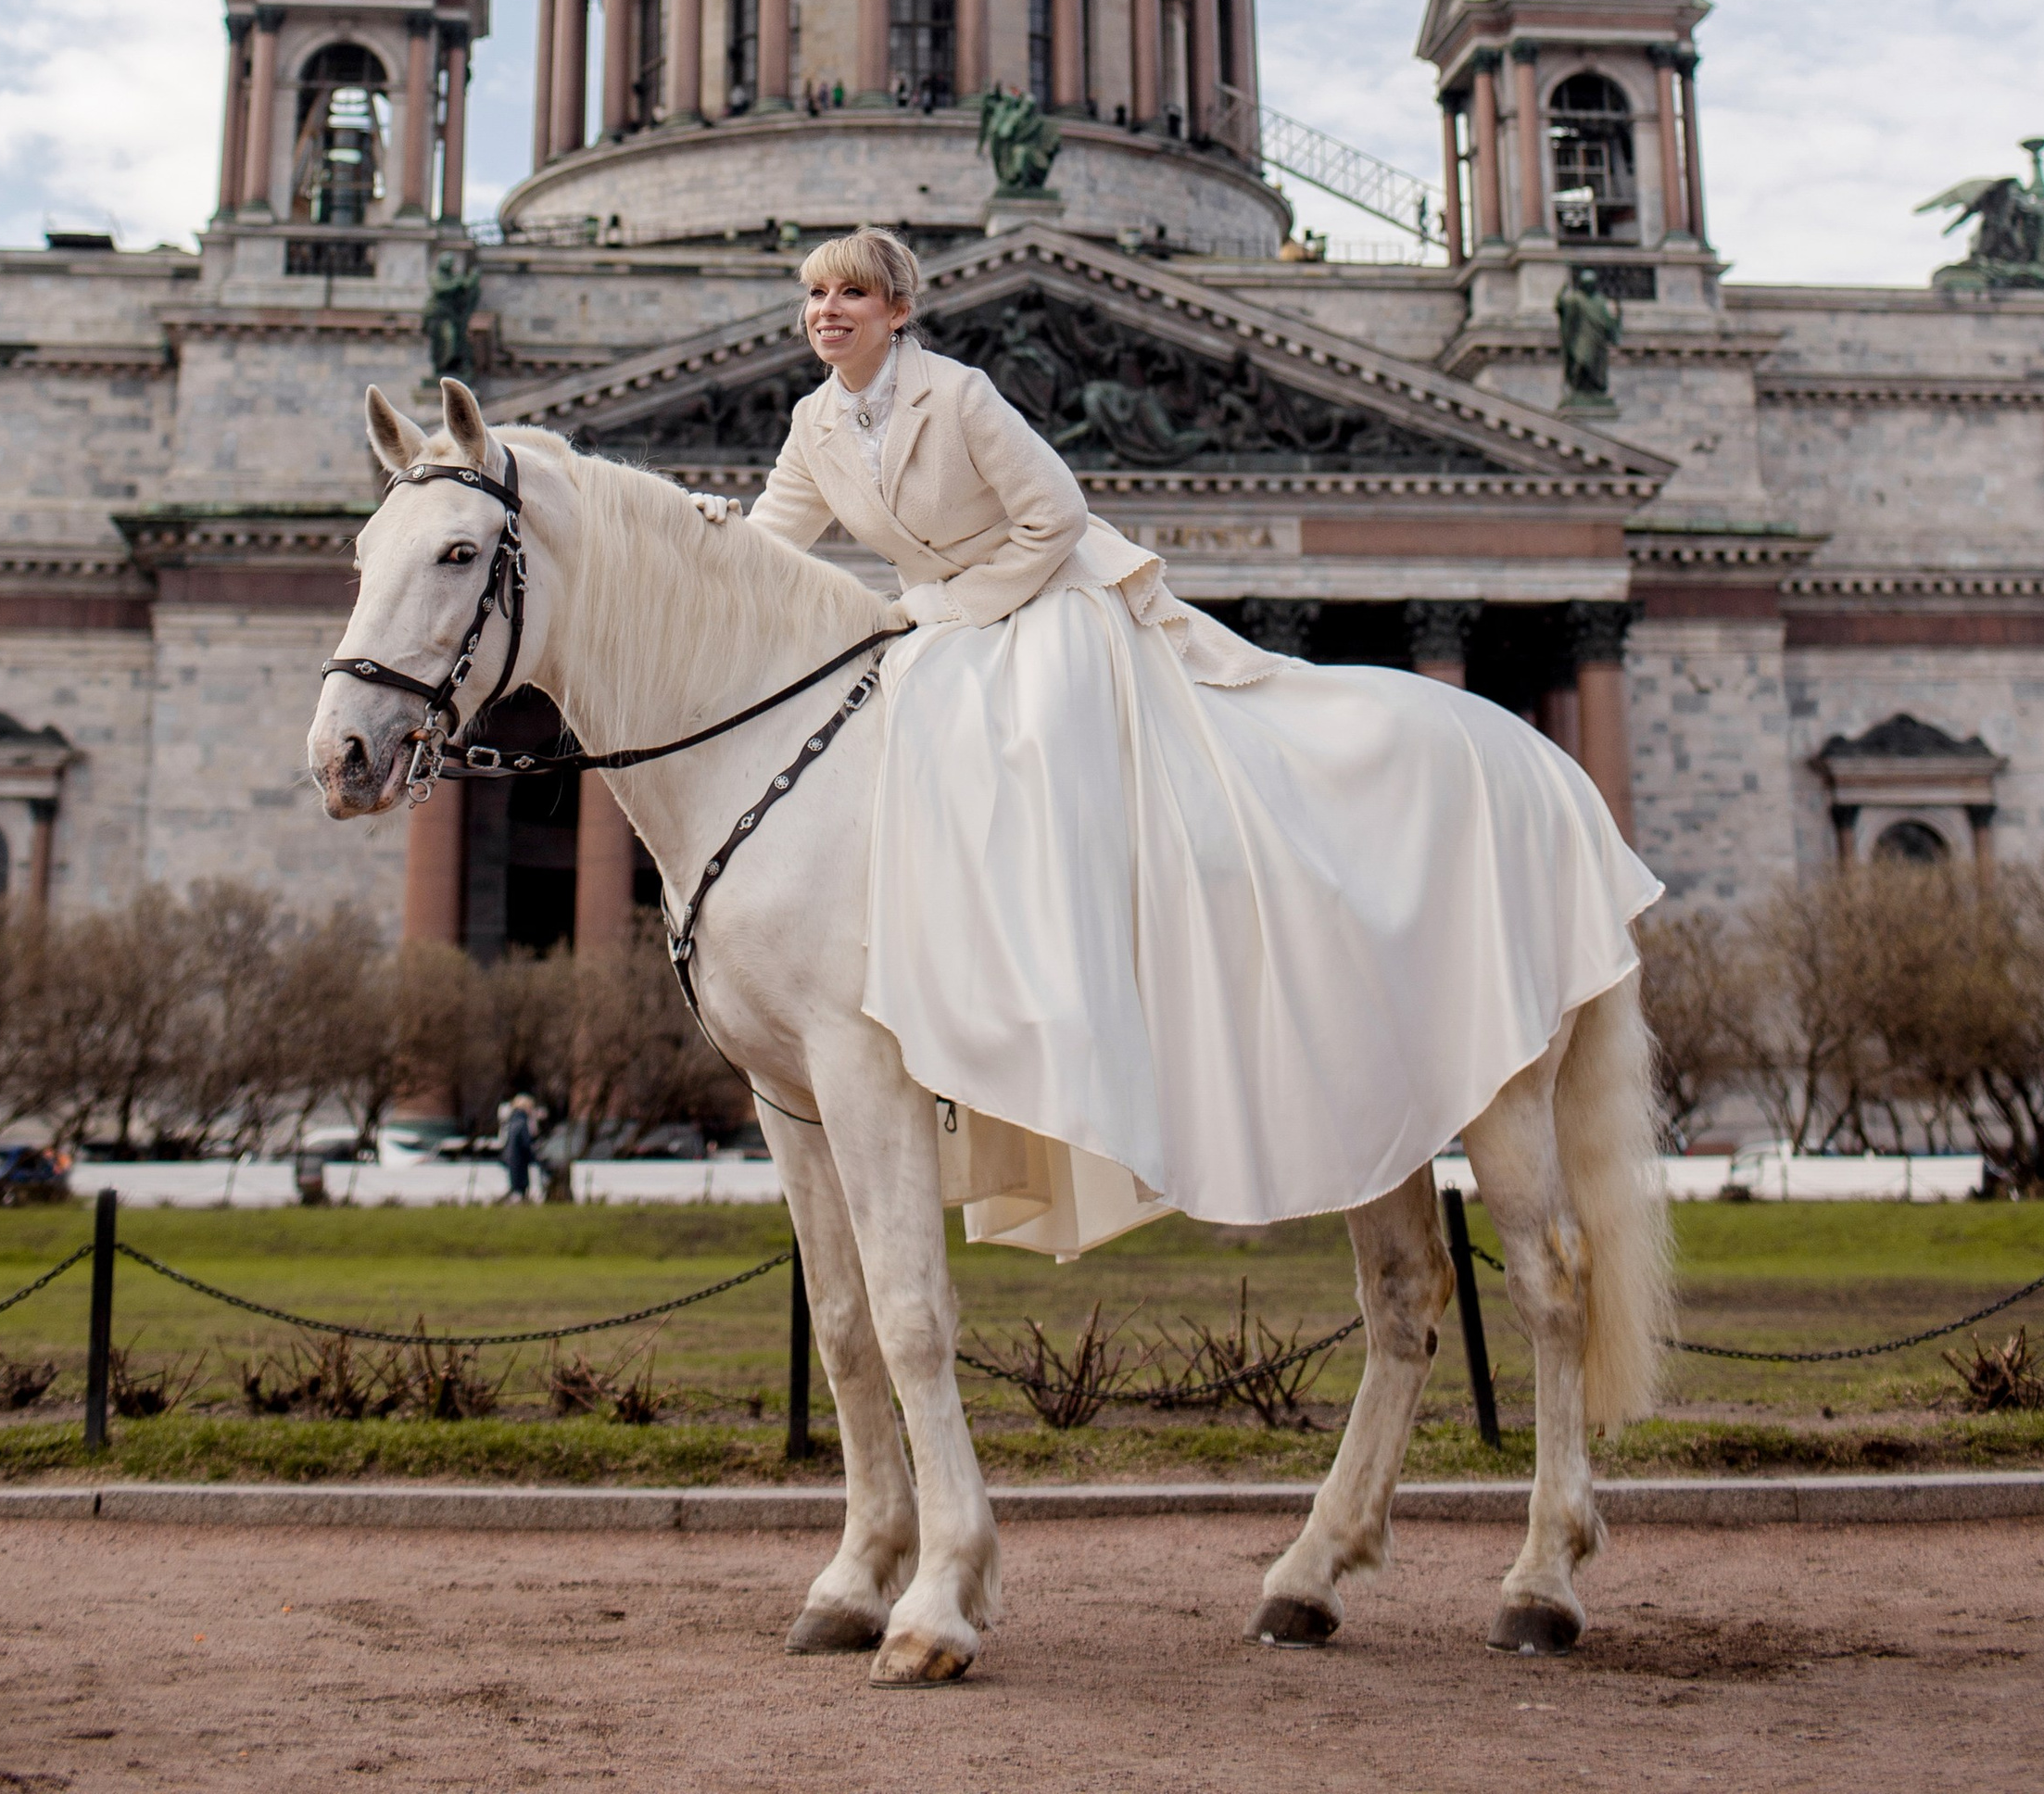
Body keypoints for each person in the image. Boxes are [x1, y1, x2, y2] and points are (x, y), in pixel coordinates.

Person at [751, 228, 1659, 1258]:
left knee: (1046, 752)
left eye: (853, 293)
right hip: (944, 630)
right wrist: (673, 535)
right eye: (816, 293)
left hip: (1046, 604)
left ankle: (1093, 977)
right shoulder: (812, 423)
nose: (829, 309)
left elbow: (1054, 518)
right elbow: (760, 542)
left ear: (897, 310)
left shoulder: (956, 396)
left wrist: (950, 609)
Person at [500, 1092, 537, 1203]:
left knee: (515, 1187)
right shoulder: (522, 1121)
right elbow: (525, 1143)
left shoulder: (512, 1120)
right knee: (520, 1189)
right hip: (519, 1159)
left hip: (511, 1158)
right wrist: (533, 1156)